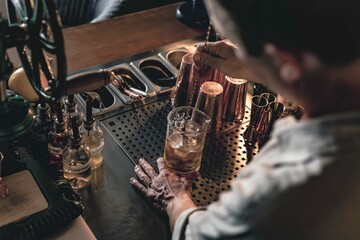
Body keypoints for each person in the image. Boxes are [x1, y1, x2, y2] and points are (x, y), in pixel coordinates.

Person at [130, 0, 360, 239]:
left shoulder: (286, 187)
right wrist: (256, 66)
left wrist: (175, 198)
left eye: (238, 43)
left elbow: (202, 235)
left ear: (286, 62)